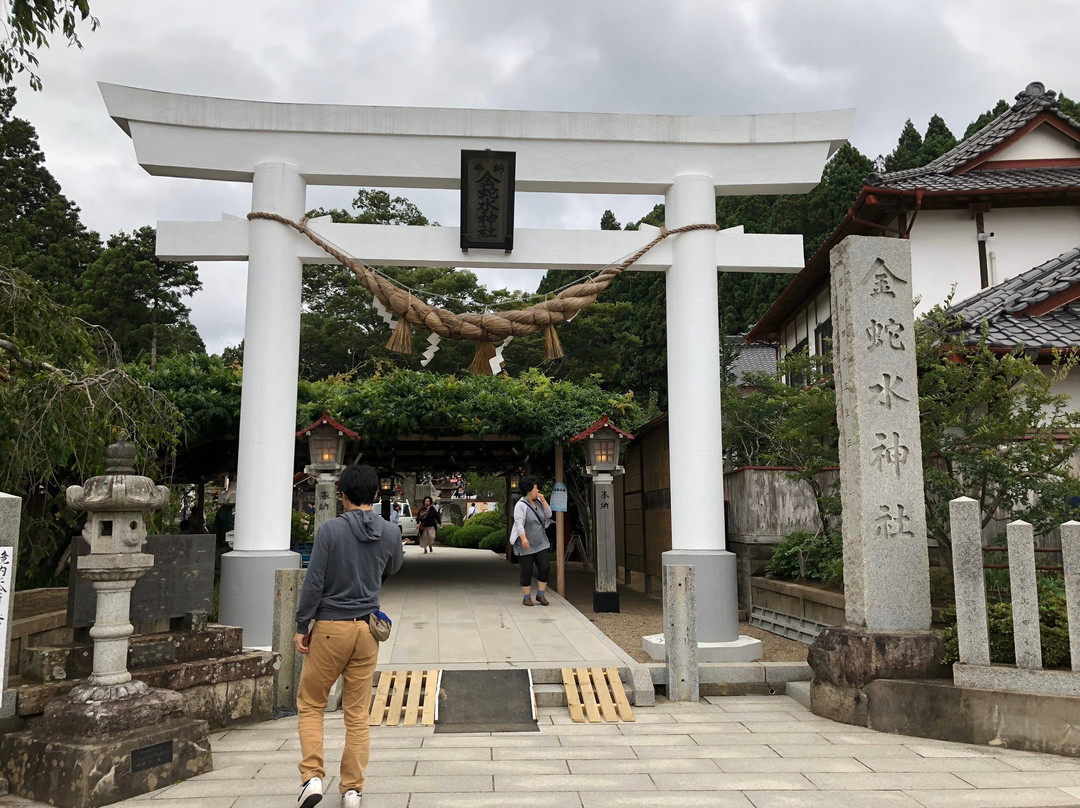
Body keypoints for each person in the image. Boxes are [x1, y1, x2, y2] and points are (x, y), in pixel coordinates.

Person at [293, 464, 404, 808]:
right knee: (356, 713)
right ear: (376, 494)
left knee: (312, 703)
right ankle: (352, 789)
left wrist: (302, 625)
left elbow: (314, 582)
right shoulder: (390, 531)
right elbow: (394, 566)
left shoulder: (330, 530)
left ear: (342, 495)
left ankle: (312, 777)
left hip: (330, 628)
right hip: (367, 629)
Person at [512, 476, 553, 606]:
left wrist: (543, 500)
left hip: (541, 542)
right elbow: (518, 523)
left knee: (545, 567)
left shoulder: (539, 502)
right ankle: (527, 597)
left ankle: (540, 595)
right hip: (526, 544)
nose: (537, 490)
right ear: (529, 490)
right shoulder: (520, 505)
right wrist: (524, 538)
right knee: (527, 570)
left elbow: (549, 514)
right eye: (536, 488)